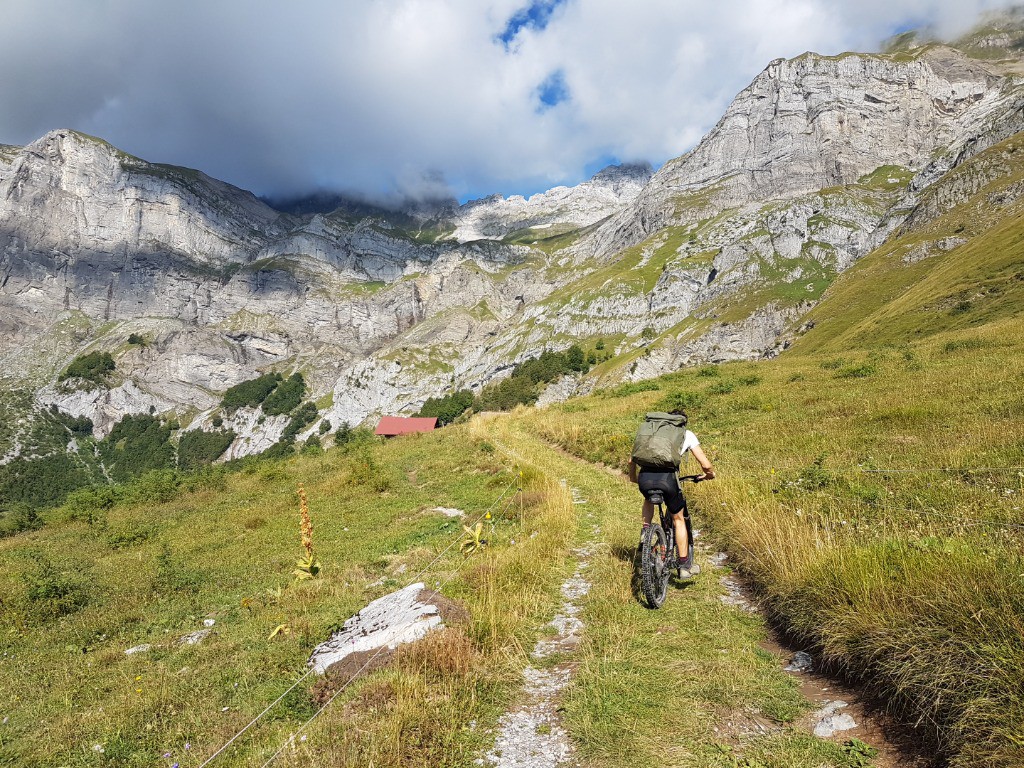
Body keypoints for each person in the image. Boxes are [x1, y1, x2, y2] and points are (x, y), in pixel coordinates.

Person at [628, 409, 715, 577]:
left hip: (645, 478)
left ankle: (646, 530)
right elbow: (706, 465)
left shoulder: (652, 430)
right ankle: (683, 566)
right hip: (668, 480)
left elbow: (631, 460)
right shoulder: (685, 434)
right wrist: (710, 474)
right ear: (682, 422)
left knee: (648, 499)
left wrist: (634, 478)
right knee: (678, 519)